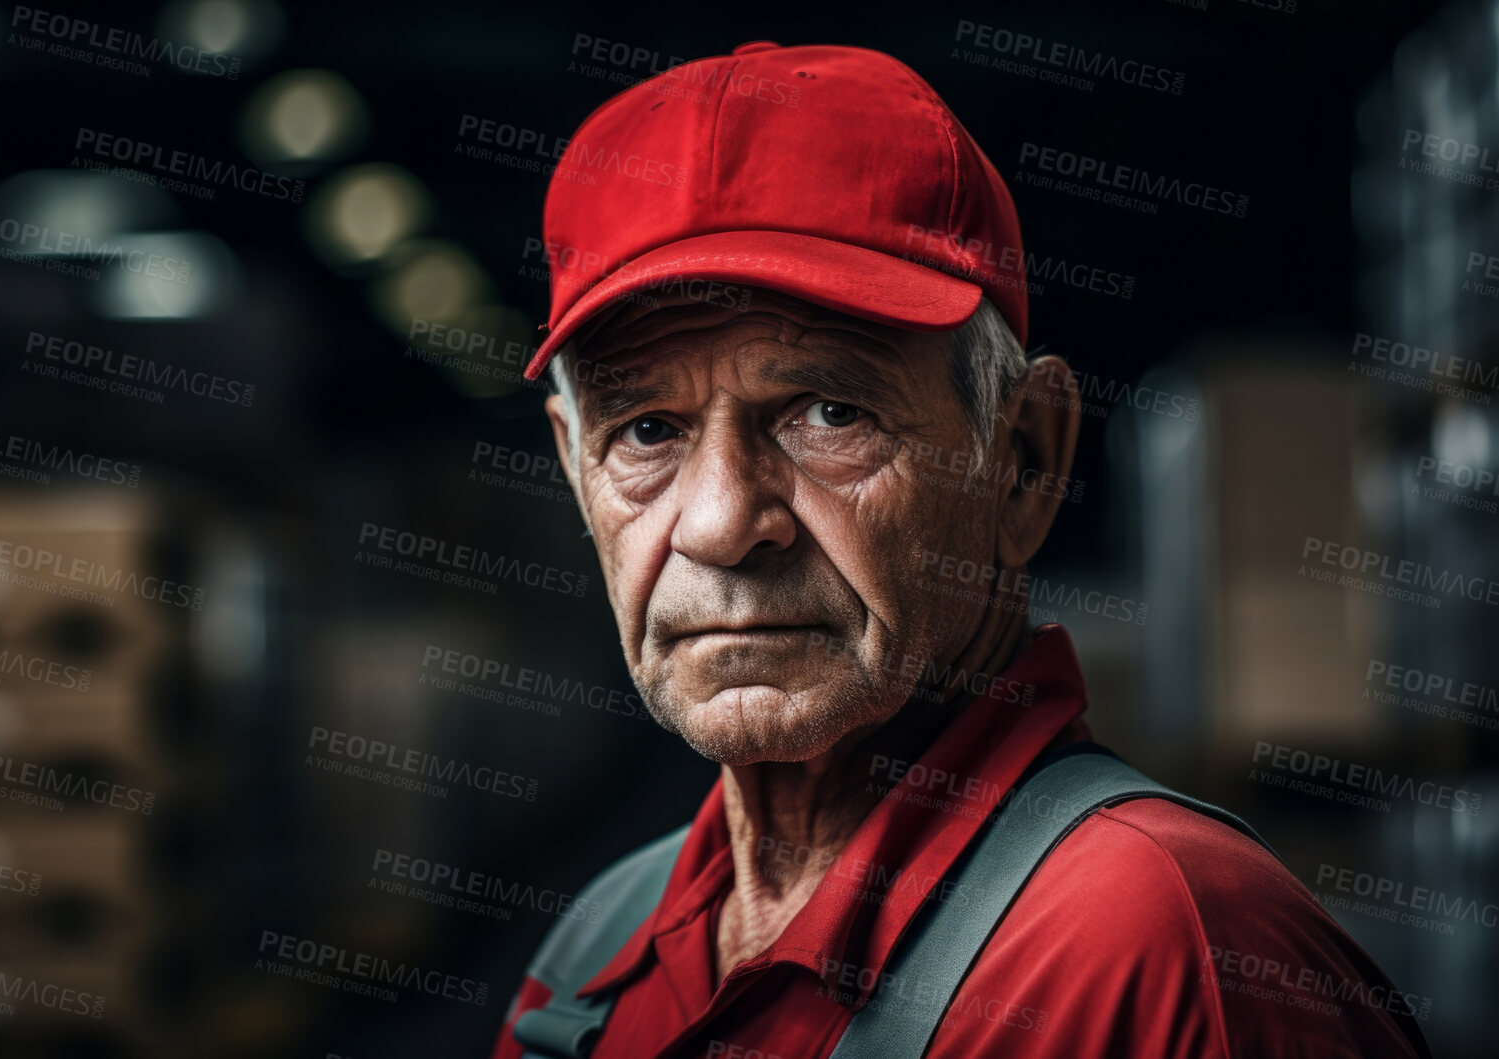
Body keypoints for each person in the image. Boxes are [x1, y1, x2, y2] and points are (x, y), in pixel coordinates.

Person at [488, 42, 1430, 1059]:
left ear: (1023, 458)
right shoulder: (592, 953)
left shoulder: (1164, 959)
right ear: (574, 469)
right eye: (645, 432)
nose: (719, 524)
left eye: (827, 412)